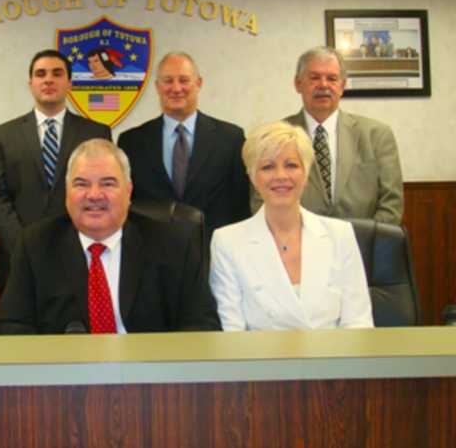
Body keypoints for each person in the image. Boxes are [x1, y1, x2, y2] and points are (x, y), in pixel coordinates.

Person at [0, 139, 219, 334]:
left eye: (108, 183)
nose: (94, 195)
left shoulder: (173, 244)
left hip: (150, 377)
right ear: (67, 192)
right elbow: (10, 326)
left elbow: (201, 326)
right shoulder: (36, 244)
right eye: (81, 184)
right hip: (66, 379)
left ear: (128, 192)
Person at [211, 121, 374, 331]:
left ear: (306, 174)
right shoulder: (227, 242)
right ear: (252, 177)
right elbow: (231, 331)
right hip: (260, 362)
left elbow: (358, 323)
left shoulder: (340, 235)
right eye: (267, 167)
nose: (281, 176)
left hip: (332, 360)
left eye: (291, 165)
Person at [0, 49, 111, 290]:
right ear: (31, 83)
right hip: (17, 258)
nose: (48, 79)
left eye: (57, 73)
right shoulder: (4, 135)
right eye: (41, 74)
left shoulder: (95, 133)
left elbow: (102, 195)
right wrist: (23, 246)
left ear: (69, 83)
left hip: (79, 255)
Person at [118, 51, 250, 239]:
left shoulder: (231, 138)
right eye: (168, 80)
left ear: (199, 84)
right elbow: (125, 206)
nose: (176, 88)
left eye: (184, 80)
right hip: (150, 255)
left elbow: (241, 206)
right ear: (157, 86)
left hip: (214, 254)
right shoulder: (131, 142)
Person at [271, 46, 403, 224]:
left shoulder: (376, 135)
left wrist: (368, 242)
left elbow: (391, 203)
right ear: (298, 84)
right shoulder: (274, 136)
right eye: (314, 77)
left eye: (332, 78)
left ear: (342, 86)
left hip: (362, 245)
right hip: (296, 245)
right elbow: (262, 199)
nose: (323, 85)